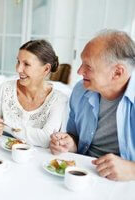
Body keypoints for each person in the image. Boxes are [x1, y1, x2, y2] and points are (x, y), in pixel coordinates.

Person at [49, 30, 135, 181]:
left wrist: (132, 170)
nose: (79, 71)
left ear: (117, 73)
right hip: (81, 173)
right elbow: (75, 137)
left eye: (88, 66)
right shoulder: (80, 90)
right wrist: (69, 143)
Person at [0, 40, 68, 148]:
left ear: (46, 69)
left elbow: (47, 139)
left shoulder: (59, 99)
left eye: (26, 64)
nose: (18, 69)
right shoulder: (6, 88)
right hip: (2, 156)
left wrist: (4, 126)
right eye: (18, 62)